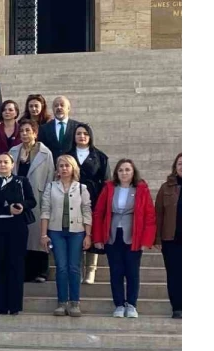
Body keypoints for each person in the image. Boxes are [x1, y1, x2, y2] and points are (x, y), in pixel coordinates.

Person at [92, 159, 157, 319]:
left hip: (133, 236)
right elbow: (99, 213)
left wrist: (146, 240)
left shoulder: (141, 189)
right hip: (113, 236)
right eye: (121, 170)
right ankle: (119, 304)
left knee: (132, 272)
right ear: (116, 173)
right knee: (116, 272)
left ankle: (132, 304)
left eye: (127, 170)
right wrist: (98, 237)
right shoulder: (109, 188)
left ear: (133, 172)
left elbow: (149, 215)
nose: (124, 173)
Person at [39, 155, 94, 317]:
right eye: (61, 166)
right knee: (61, 267)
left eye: (67, 166)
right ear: (57, 169)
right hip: (56, 231)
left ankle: (75, 302)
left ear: (73, 168)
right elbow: (45, 210)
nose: (64, 168)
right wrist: (43, 234)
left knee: (74, 267)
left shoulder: (82, 188)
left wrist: (88, 235)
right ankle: (62, 302)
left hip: (77, 232)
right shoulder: (51, 187)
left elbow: (87, 211)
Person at [0, 153, 37, 315]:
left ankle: (15, 305)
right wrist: (5, 209)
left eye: (5, 162)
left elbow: (32, 200)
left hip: (18, 227)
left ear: (12, 164)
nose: (2, 165)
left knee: (16, 265)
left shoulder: (21, 181)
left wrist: (22, 206)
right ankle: (1, 305)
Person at [8, 118, 55, 283]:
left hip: (37, 196)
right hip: (18, 197)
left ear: (35, 133)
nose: (24, 134)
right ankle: (24, 271)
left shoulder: (45, 153)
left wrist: (48, 199)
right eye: (22, 131)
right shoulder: (13, 151)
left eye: (28, 130)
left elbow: (50, 177)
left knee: (37, 235)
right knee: (22, 236)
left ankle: (41, 271)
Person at [72, 123, 109, 283]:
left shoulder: (100, 156)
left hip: (93, 198)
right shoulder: (68, 155)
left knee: (91, 232)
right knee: (76, 233)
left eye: (85, 134)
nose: (82, 136)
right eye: (79, 133)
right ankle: (78, 269)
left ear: (90, 137)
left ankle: (91, 270)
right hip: (72, 198)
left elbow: (106, 181)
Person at [155, 153, 182, 319]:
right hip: (171, 239)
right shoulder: (166, 188)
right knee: (174, 274)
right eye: (180, 164)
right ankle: (177, 307)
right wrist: (157, 238)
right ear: (175, 167)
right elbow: (158, 214)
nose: (183, 167)